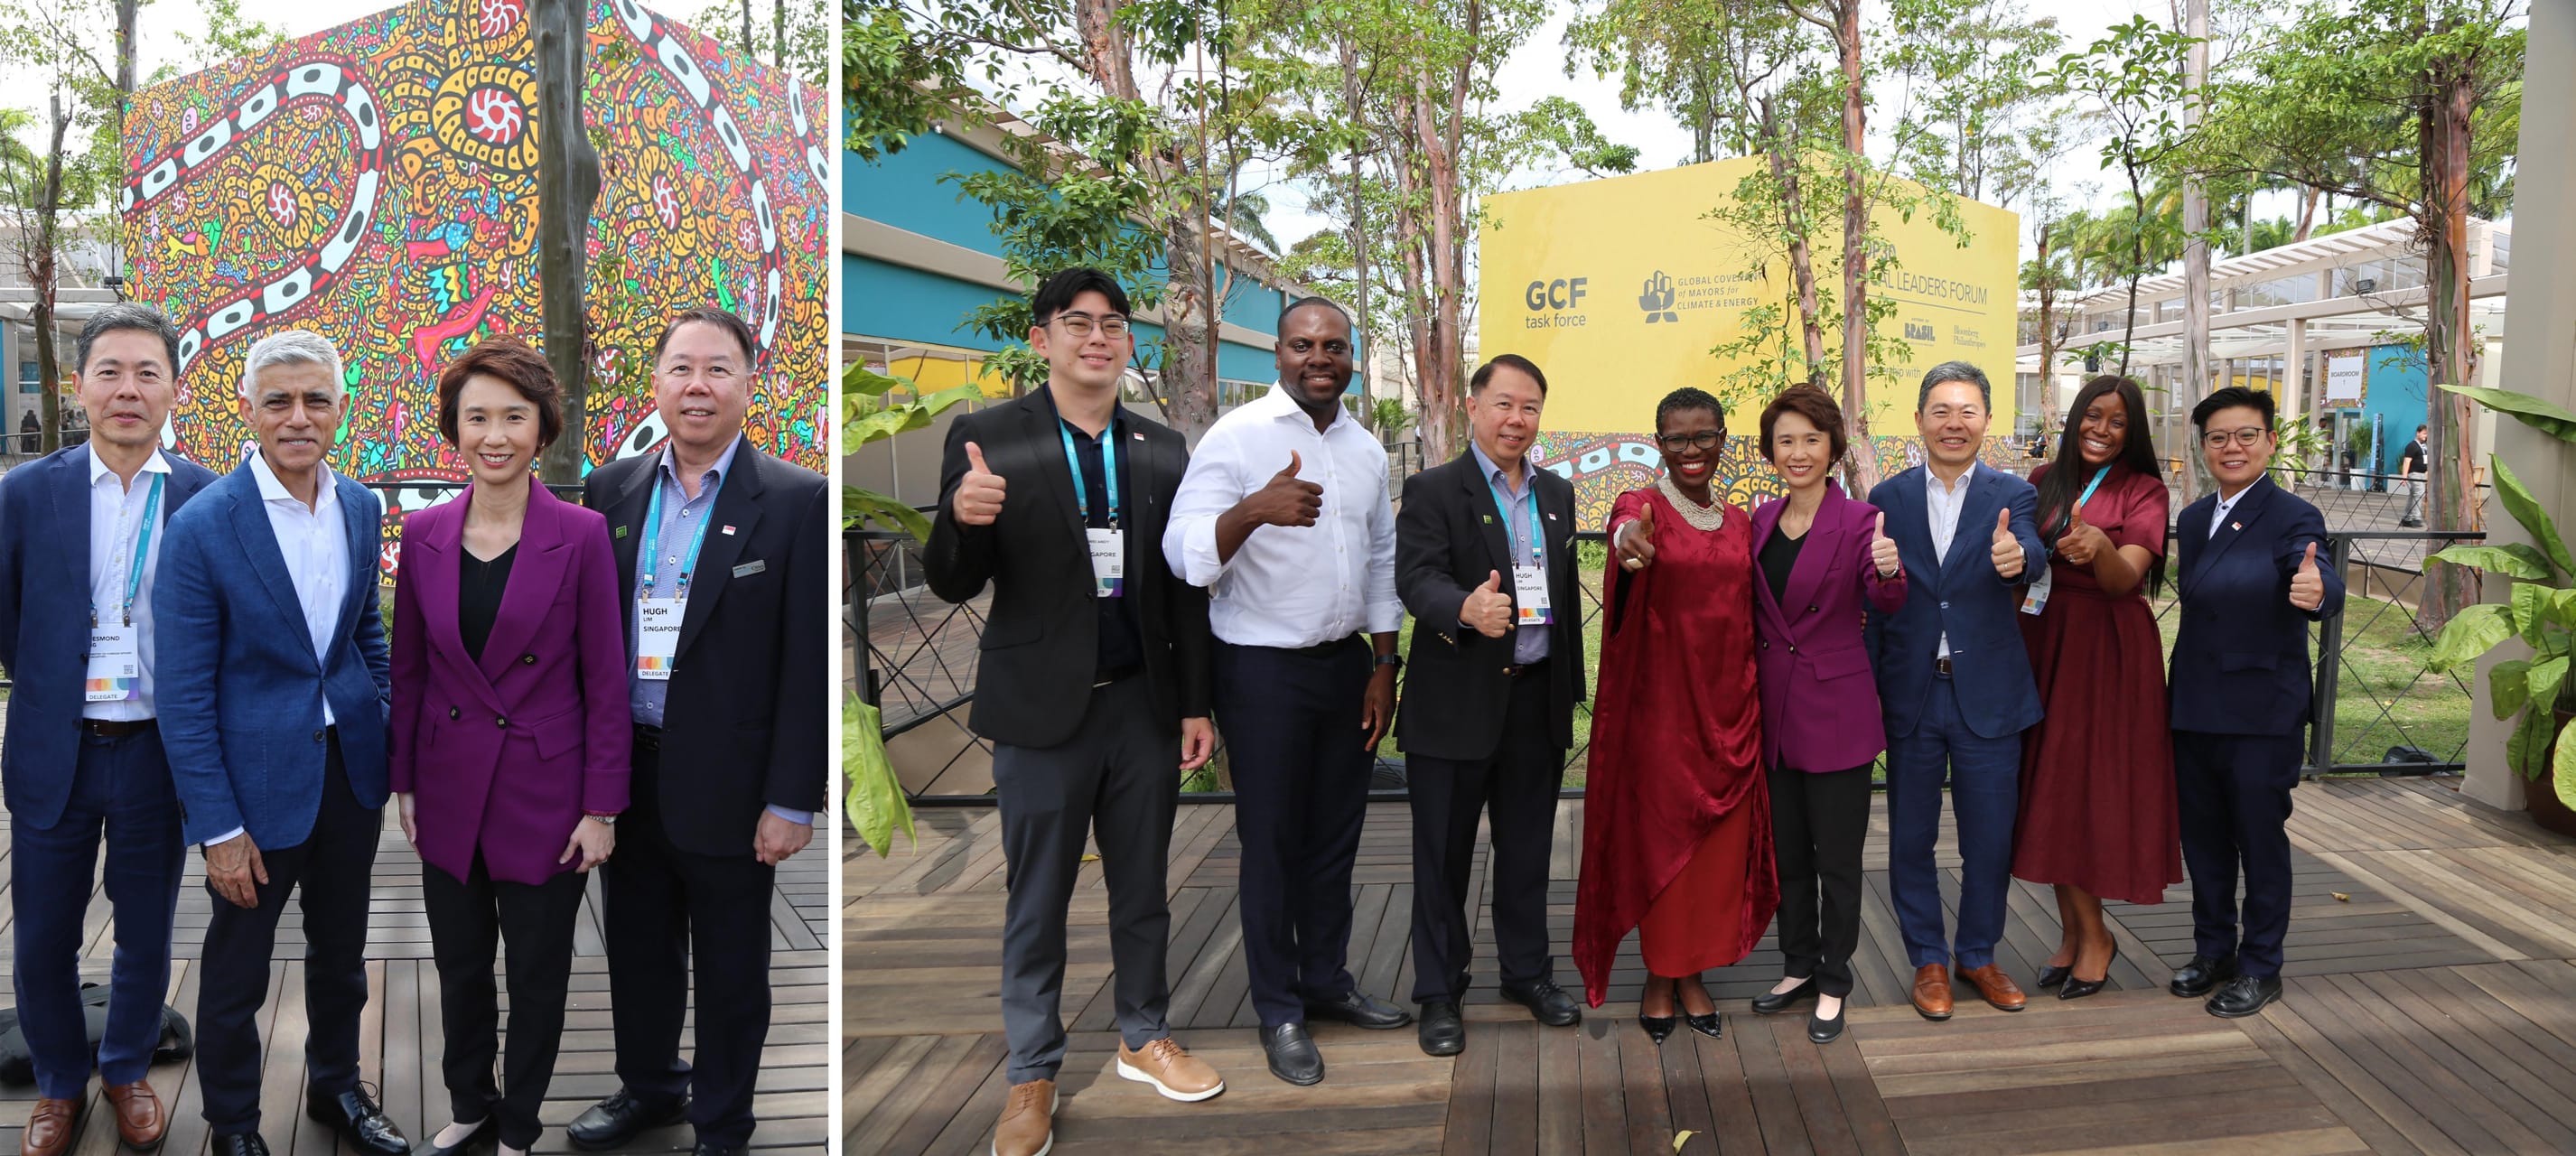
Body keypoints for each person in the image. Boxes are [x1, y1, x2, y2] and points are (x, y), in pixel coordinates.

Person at [924, 268, 1222, 1156]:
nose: (1097, 337)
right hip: (1038, 713)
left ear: (1129, 343)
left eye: (1112, 325)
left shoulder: (1160, 448)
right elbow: (949, 579)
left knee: (1142, 889)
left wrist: (1195, 703)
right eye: (1076, 323)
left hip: (1140, 705)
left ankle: (1142, 1033)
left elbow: (1180, 595)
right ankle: (1031, 1073)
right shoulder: (987, 438)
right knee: (1037, 896)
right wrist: (961, 516)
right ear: (1040, 338)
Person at [567, 308, 826, 1156]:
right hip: (627, 777)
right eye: (681, 368)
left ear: (750, 384)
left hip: (733, 784)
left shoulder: (795, 502)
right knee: (637, 954)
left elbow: (807, 665)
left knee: (729, 972)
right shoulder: (610, 492)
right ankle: (650, 1088)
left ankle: (722, 1122)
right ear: (656, 383)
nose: (698, 386)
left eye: (718, 369)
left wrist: (793, 796)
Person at [155, 330, 406, 1156]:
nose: (298, 417)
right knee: (236, 975)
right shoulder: (202, 526)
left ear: (340, 408)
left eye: (316, 400)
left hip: (349, 776)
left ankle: (337, 1089)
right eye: (279, 401)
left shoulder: (361, 507)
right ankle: (233, 1123)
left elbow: (364, 631)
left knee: (342, 957)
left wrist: (380, 706)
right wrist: (217, 829)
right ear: (249, 411)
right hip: (252, 793)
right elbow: (184, 696)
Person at [1162, 297, 1409, 1087]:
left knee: (1336, 837)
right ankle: (1278, 1008)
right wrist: (1256, 508)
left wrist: (1382, 663)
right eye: (1303, 345)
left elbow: (1379, 562)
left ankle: (1326, 981)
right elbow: (1187, 556)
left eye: (1334, 345)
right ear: (1277, 354)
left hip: (1346, 669)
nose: (1319, 358)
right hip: (1262, 671)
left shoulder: (1367, 450)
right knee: (1272, 844)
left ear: (1352, 357)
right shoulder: (1236, 439)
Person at [390, 339, 630, 1156]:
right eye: (477, 417)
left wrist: (602, 807)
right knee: (459, 966)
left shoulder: (583, 533)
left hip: (546, 793)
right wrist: (405, 784)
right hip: (449, 787)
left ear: (542, 429)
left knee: (537, 974)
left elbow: (606, 678)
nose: (494, 435)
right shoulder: (421, 533)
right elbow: (410, 671)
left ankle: (520, 1123)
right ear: (455, 430)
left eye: (513, 418)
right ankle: (470, 1100)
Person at [0, 304, 219, 1156]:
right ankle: (58, 1081)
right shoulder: (24, 494)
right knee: (44, 931)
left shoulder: (205, 497)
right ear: (81, 385)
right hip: (58, 746)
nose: (128, 390)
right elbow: (9, 619)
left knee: (147, 928)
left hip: (159, 751)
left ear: (173, 388)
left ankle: (127, 1065)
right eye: (110, 372)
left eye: (147, 373)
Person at [1395, 353, 1586, 1057]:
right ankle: (1439, 993)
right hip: (1455, 706)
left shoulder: (1558, 493)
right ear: (1472, 408)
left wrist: (1570, 693)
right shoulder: (1433, 489)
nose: (1517, 419)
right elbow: (1414, 578)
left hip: (1534, 705)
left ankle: (1526, 974)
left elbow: (1561, 594)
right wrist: (1463, 608)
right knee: (1442, 857)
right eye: (1504, 403)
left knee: (1528, 851)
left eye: (1530, 406)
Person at [1574, 387, 1773, 1046]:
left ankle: (1694, 974)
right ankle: (1660, 977)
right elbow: (1623, 526)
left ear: (1723, 438)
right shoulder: (1646, 506)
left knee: (1716, 856)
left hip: (1732, 711)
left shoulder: (1742, 521)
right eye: (1677, 439)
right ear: (1658, 444)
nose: (1692, 450)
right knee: (1666, 848)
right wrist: (1627, 540)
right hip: (1663, 716)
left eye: (1705, 436)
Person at [1867, 360, 2043, 1022]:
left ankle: (1978, 953)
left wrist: (2018, 559)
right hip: (1911, 693)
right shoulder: (1887, 497)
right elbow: (1876, 594)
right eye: (1940, 410)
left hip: (1988, 697)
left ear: (1987, 421)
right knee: (1910, 837)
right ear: (1918, 421)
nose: (1954, 423)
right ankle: (1928, 960)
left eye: (1967, 410)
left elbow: (2030, 549)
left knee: (1989, 838)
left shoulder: (2011, 493)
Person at [2170, 386, 2345, 1019]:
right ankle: (2213, 951)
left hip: (2260, 712)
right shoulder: (2192, 520)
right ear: (2204, 446)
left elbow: (2319, 573)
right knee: (2206, 842)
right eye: (2218, 437)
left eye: (2246, 435)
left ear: (2270, 441)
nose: (2232, 447)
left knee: (2259, 842)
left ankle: (2261, 966)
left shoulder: (2293, 515)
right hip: (2193, 707)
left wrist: (2316, 588)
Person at [1743, 387, 1905, 1044]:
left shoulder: (1863, 521)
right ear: (1770, 451)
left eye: (1812, 439)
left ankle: (1835, 980)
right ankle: (1797, 965)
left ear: (1833, 447)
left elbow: (1885, 599)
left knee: (1837, 858)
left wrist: (1891, 574)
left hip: (1836, 711)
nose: (1799, 452)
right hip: (1772, 711)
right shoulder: (1756, 521)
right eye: (1786, 440)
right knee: (1787, 855)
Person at [2011, 375, 2180, 1001]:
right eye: (2093, 416)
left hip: (2107, 651)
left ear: (2132, 432)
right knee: (2048, 789)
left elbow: (2122, 580)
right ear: (2075, 417)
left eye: (2117, 422)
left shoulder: (2146, 491)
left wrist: (2103, 545)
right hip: (2044, 642)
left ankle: (2097, 938)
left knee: (2082, 789)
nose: (2102, 430)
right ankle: (2073, 933)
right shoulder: (2039, 483)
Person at [2398, 424, 2428, 527]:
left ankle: (2407, 517)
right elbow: (2407, 462)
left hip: (2422, 474)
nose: (2426, 436)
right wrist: (2404, 477)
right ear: (2418, 433)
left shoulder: (2424, 446)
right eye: (2424, 434)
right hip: (2414, 473)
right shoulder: (2412, 446)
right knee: (2419, 493)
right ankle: (2416, 517)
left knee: (2413, 495)